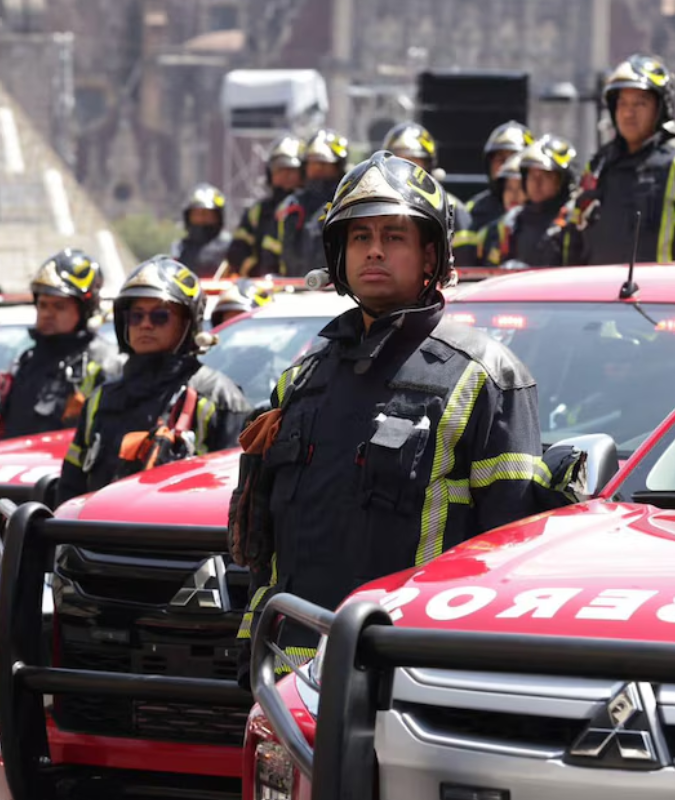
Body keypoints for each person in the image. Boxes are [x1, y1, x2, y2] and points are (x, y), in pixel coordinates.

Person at [229, 152, 582, 667]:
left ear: (430, 256)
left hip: (407, 675)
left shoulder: (485, 376)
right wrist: (252, 648)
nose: (374, 252)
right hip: (288, 677)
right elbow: (267, 546)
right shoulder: (301, 380)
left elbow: (509, 559)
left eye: (394, 237)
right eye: (359, 237)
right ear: (338, 254)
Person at [57, 257, 251, 504]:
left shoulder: (221, 398)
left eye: (160, 316)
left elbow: (236, 497)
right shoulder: (101, 399)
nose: (145, 325)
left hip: (177, 537)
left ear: (187, 324)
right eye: (136, 316)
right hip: (100, 538)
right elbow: (70, 488)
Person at [564, 54, 675, 265]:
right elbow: (574, 242)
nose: (628, 114)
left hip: (662, 296)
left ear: (661, 108)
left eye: (639, 104)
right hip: (600, 295)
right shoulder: (598, 166)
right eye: (622, 104)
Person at [0, 249, 113, 440]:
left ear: (84, 309)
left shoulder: (107, 363)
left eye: (59, 306)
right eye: (43, 305)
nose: (48, 314)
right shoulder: (26, 362)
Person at [379, 122, 477, 265]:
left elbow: (467, 269)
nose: (405, 169)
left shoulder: (452, 209)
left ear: (429, 165)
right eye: (399, 161)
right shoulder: (373, 204)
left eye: (413, 162)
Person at [258, 128, 350, 276]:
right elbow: (269, 256)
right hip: (292, 291)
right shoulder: (289, 207)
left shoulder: (349, 204)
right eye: (312, 163)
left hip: (336, 294)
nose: (317, 169)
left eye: (324, 164)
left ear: (339, 167)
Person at [480, 135, 578, 267]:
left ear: (562, 181)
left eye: (545, 175)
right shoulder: (511, 223)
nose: (536, 183)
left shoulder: (574, 221)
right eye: (532, 175)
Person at [226, 134, 305, 277]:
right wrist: (254, 271)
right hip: (262, 286)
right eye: (279, 170)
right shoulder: (257, 211)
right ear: (270, 174)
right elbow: (236, 252)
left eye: (291, 170)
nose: (285, 175)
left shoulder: (309, 208)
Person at [465, 120, 537, 233]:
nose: (508, 165)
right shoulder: (473, 210)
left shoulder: (543, 210)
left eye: (514, 157)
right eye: (500, 159)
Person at [172, 183, 233, 278]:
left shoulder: (231, 247)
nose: (201, 219)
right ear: (188, 217)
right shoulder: (179, 248)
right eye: (197, 214)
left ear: (218, 217)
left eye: (206, 214)